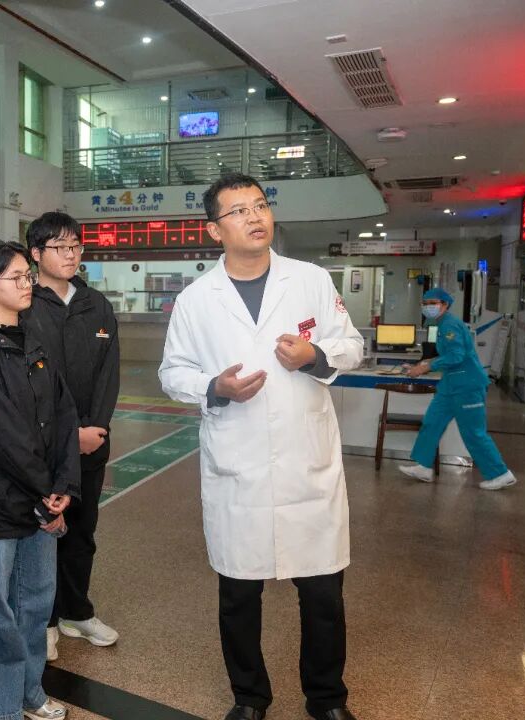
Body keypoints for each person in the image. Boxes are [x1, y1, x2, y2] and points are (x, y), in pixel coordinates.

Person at [159, 173, 364, 720]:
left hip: (307, 467)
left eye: (260, 205)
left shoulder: (311, 280)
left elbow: (351, 345)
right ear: (214, 230)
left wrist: (314, 356)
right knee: (238, 598)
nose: (255, 217)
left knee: (323, 595)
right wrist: (215, 387)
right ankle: (249, 698)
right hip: (239, 470)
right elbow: (172, 372)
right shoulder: (196, 300)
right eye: (239, 211)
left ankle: (327, 699)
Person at [0, 240, 80, 720]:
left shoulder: (33, 337)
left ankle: (28, 693)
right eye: (17, 277)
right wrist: (48, 490)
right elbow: (1, 434)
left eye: (29, 275)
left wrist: (64, 485)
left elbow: (64, 413)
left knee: (34, 604)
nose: (28, 284)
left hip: (42, 497)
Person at [23, 212, 120, 661]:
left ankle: (76, 612)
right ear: (35, 253)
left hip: (91, 443)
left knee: (82, 531)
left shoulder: (96, 304)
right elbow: (29, 383)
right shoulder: (26, 303)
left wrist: (95, 428)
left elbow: (108, 374)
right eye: (59, 247)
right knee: (44, 532)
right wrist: (67, 435)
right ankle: (43, 621)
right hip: (43, 446)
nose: (70, 254)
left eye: (76, 246)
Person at [400, 288, 516, 490]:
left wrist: (426, 367)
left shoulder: (450, 324)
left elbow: (456, 356)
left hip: (467, 386)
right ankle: (423, 466)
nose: (428, 307)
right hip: (449, 386)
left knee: (473, 433)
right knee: (432, 423)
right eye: (425, 304)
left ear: (445, 304)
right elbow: (447, 355)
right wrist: (424, 363)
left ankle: (501, 474)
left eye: (432, 303)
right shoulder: (441, 324)